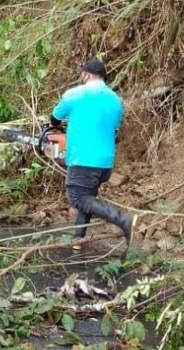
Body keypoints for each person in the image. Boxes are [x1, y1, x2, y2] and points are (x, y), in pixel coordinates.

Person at [50, 59, 133, 251]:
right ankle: (78, 238)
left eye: (82, 74)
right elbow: (114, 127)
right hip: (105, 162)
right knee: (87, 197)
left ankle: (123, 220)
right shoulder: (115, 100)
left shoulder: (75, 94)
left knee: (79, 198)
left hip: (83, 159)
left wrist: (59, 127)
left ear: (86, 75)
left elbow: (55, 118)